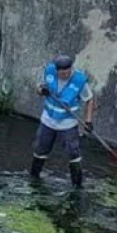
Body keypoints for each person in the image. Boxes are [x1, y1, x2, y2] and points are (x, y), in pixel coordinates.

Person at [31, 55, 95, 189]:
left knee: (73, 154)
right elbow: (39, 87)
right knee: (40, 150)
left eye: (68, 72)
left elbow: (89, 99)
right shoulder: (49, 72)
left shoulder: (79, 81)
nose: (65, 75)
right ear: (56, 70)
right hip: (47, 121)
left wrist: (88, 121)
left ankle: (77, 185)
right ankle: (34, 178)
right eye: (62, 73)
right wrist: (42, 90)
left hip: (68, 124)